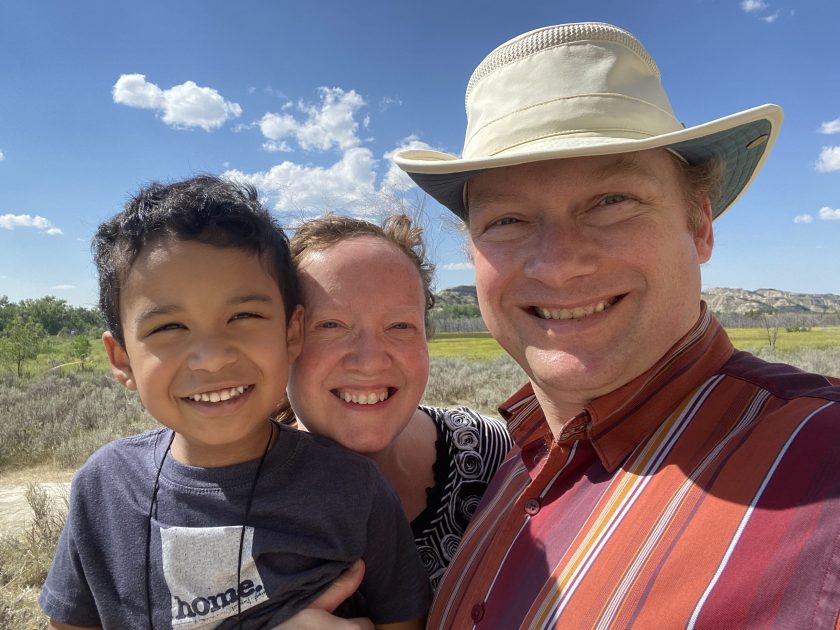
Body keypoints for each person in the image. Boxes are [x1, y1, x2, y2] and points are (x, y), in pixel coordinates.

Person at [390, 22, 840, 629]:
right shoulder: (510, 470)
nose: (559, 262)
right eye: (508, 220)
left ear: (699, 224)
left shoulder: (821, 461)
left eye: (612, 201)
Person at [39, 176, 430, 629]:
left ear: (291, 332)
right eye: (169, 327)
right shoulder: (103, 489)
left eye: (243, 316)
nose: (212, 358)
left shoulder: (354, 490)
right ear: (122, 359)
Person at [281, 213, 513, 591]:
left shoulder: (494, 454)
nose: (370, 360)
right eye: (331, 325)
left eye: (400, 326)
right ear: (284, 341)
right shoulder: (224, 498)